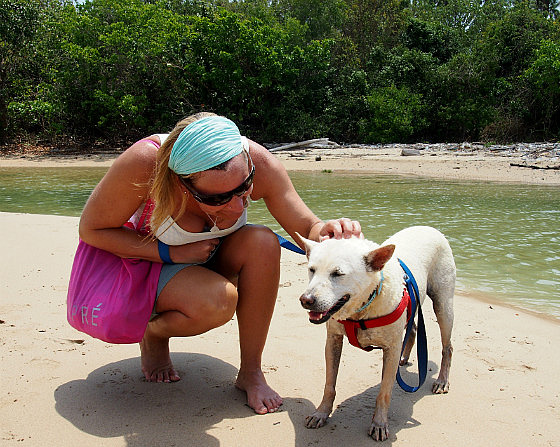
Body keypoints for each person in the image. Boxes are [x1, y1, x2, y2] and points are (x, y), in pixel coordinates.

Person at [78, 112, 362, 414]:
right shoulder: (146, 163)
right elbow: (92, 229)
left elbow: (306, 227)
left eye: (244, 187)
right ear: (182, 184)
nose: (238, 206)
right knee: (218, 301)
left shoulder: (257, 161)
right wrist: (169, 253)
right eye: (218, 199)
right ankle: (154, 333)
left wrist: (328, 232)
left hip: (207, 259)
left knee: (263, 242)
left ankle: (251, 372)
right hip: (147, 264)